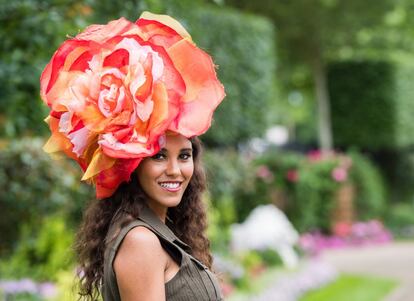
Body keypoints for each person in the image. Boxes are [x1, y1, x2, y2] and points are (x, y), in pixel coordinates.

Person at [40, 11, 225, 301]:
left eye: (185, 156)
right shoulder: (141, 241)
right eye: (159, 156)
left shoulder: (158, 230)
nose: (176, 170)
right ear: (133, 163)